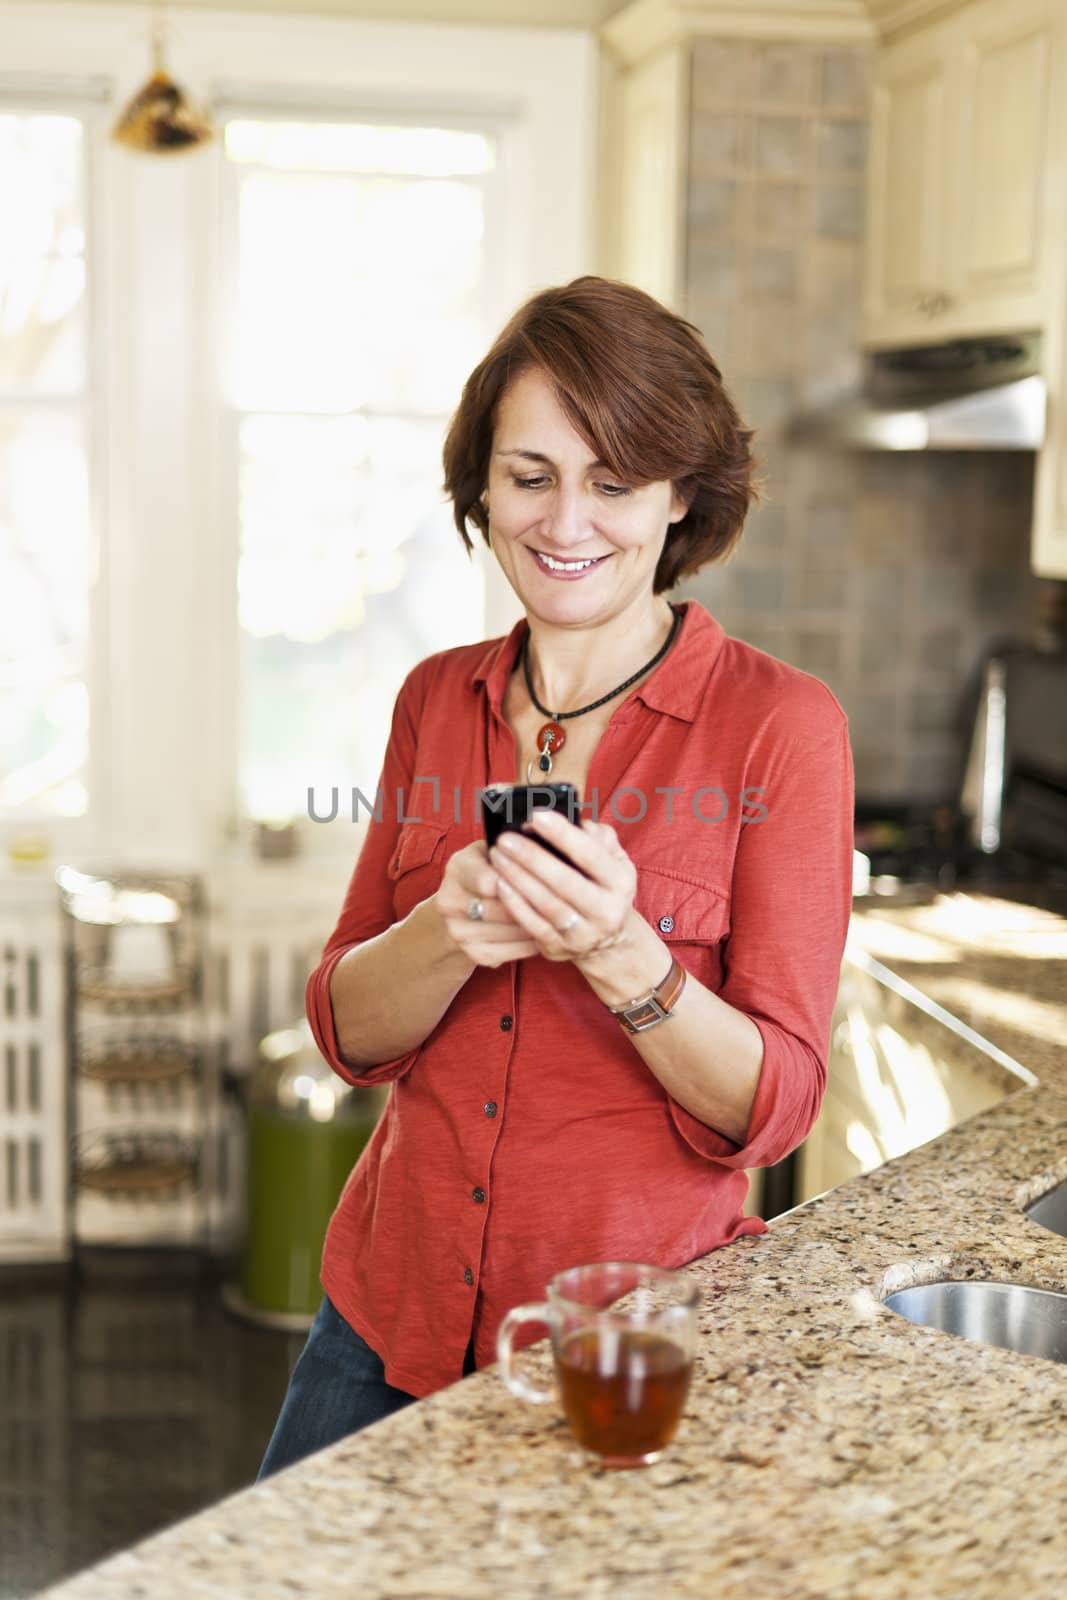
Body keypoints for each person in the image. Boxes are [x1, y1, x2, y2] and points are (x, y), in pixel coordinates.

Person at [257, 275, 854, 1480]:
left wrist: (622, 954)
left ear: (680, 495)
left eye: (613, 481)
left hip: (619, 1348)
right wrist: (449, 925)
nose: (565, 521)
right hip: (383, 1319)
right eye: (528, 475)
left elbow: (775, 1108)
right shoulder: (436, 697)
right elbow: (346, 1031)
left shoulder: (778, 728)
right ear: (481, 485)